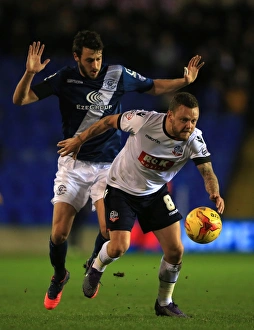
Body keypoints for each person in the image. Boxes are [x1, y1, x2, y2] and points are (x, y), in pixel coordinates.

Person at [12, 29, 204, 310]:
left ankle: (93, 263)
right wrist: (30, 73)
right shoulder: (66, 77)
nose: (95, 65)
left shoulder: (117, 74)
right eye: (89, 60)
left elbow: (152, 86)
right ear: (77, 57)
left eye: (99, 59)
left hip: (108, 165)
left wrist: (184, 81)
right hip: (73, 163)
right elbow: (21, 99)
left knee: (108, 229)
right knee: (59, 234)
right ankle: (59, 275)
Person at [57, 92, 225, 317]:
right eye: (184, 120)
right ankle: (96, 268)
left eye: (194, 120)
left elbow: (207, 171)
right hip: (120, 189)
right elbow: (108, 121)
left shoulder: (194, 139)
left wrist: (215, 192)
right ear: (170, 115)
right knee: (118, 247)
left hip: (155, 193)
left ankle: (164, 303)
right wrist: (79, 140)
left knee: (175, 251)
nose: (189, 125)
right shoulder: (143, 121)